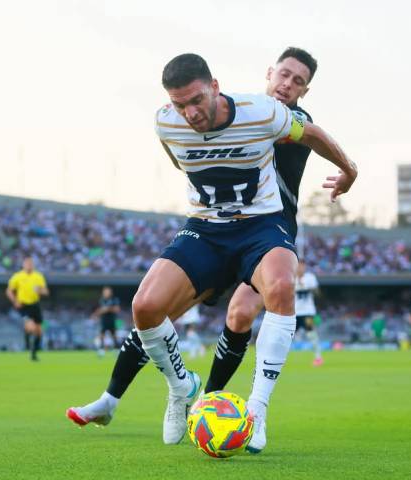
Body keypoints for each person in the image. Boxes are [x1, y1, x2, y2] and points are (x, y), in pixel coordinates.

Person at [68, 51, 357, 454]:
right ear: (268, 73)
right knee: (151, 308)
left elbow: (310, 133)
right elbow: (180, 154)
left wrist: (350, 170)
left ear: (304, 89)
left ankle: (245, 410)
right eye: (283, 75)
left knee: (252, 305)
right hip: (209, 229)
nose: (287, 84)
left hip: (265, 231)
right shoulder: (172, 121)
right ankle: (153, 393)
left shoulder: (269, 115)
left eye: (297, 81)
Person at [6, 256, 49, 361]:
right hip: (23, 305)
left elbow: (46, 291)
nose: (29, 265)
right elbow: (9, 291)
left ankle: (34, 353)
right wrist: (15, 301)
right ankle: (27, 342)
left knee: (39, 331)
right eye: (27, 263)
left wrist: (40, 290)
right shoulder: (17, 276)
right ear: (23, 264)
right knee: (31, 327)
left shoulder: (38, 276)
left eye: (31, 263)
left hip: (35, 305)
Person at [294, 259, 323, 366]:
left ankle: (318, 357)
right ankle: (278, 359)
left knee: (311, 334)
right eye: (298, 266)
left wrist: (308, 288)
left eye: (302, 266)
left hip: (307, 312)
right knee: (287, 336)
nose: (300, 268)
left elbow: (318, 293)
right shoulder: (291, 278)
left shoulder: (310, 278)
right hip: (294, 312)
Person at [92, 286, 121, 357]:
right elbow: (99, 310)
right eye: (105, 292)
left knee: (114, 336)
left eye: (108, 291)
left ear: (110, 292)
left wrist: (107, 309)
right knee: (102, 335)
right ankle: (101, 350)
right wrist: (101, 311)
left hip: (112, 320)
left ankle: (116, 350)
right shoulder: (101, 300)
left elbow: (117, 309)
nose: (106, 293)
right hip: (104, 320)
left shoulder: (114, 299)